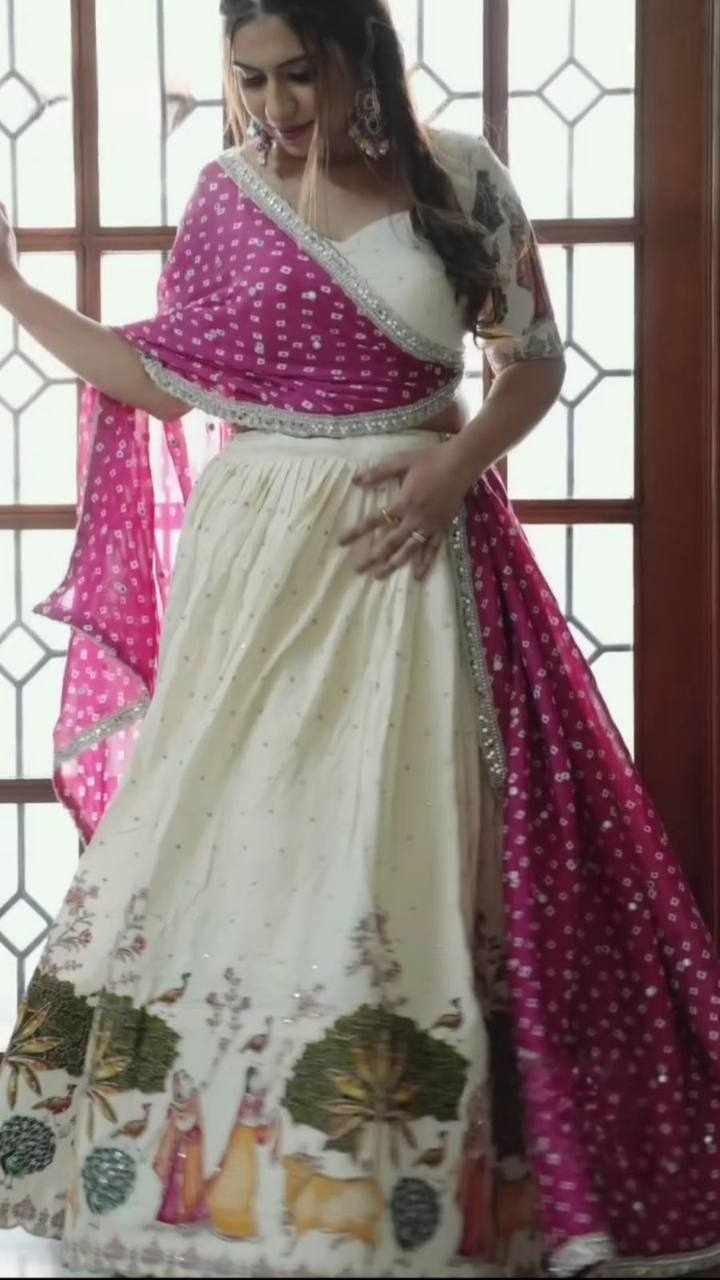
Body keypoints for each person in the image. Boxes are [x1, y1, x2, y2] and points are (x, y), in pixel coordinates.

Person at [0, 1, 718, 1277]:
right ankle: (222, 1182)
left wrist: (454, 467)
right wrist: (10, 289)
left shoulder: (462, 177)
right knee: (247, 839)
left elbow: (534, 360)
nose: (276, 107)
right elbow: (155, 376)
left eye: (300, 74)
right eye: (251, 78)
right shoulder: (227, 198)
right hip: (258, 567)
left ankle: (416, 1189)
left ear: (358, 54)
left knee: (404, 843)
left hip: (415, 551)